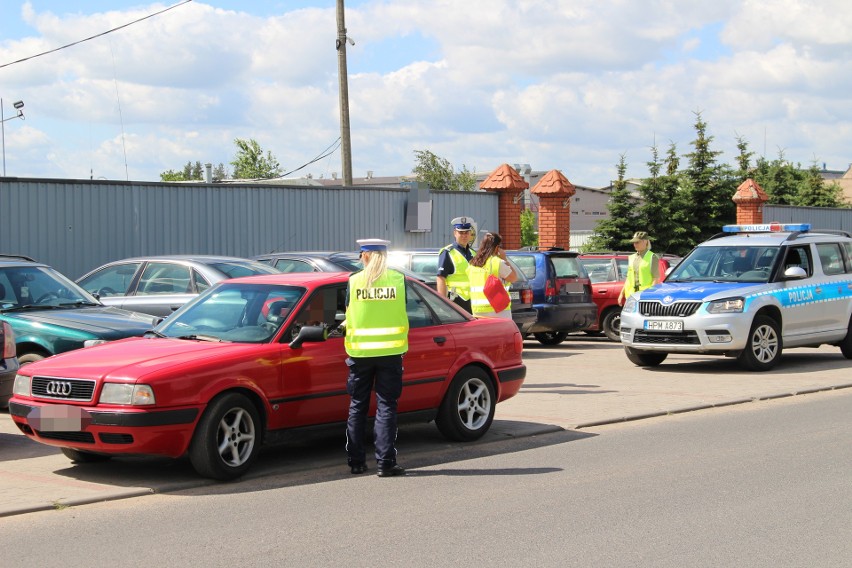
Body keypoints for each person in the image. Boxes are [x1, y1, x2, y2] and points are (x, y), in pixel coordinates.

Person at [344, 238, 409, 478]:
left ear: (366, 255)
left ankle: (356, 461)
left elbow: (346, 314)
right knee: (386, 407)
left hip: (360, 354)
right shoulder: (398, 280)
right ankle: (386, 462)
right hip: (391, 354)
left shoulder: (353, 281)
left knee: (357, 406)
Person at [466, 232, 517, 319]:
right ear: (497, 248)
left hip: (477, 311)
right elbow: (514, 278)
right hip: (498, 309)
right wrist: (504, 258)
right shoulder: (497, 262)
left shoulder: (472, 264)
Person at [437, 216, 476, 312]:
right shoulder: (447, 252)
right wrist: (443, 302)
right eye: (461, 232)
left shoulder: (473, 253)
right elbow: (441, 278)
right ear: (455, 233)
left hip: (473, 300)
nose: (464, 235)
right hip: (456, 300)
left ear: (470, 233)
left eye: (466, 232)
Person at [617, 231, 662, 306]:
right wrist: (621, 294)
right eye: (634, 242)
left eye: (637, 242)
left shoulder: (652, 257)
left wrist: (650, 295)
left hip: (645, 297)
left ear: (645, 242)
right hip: (631, 297)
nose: (635, 244)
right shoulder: (631, 257)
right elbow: (628, 278)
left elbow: (656, 279)